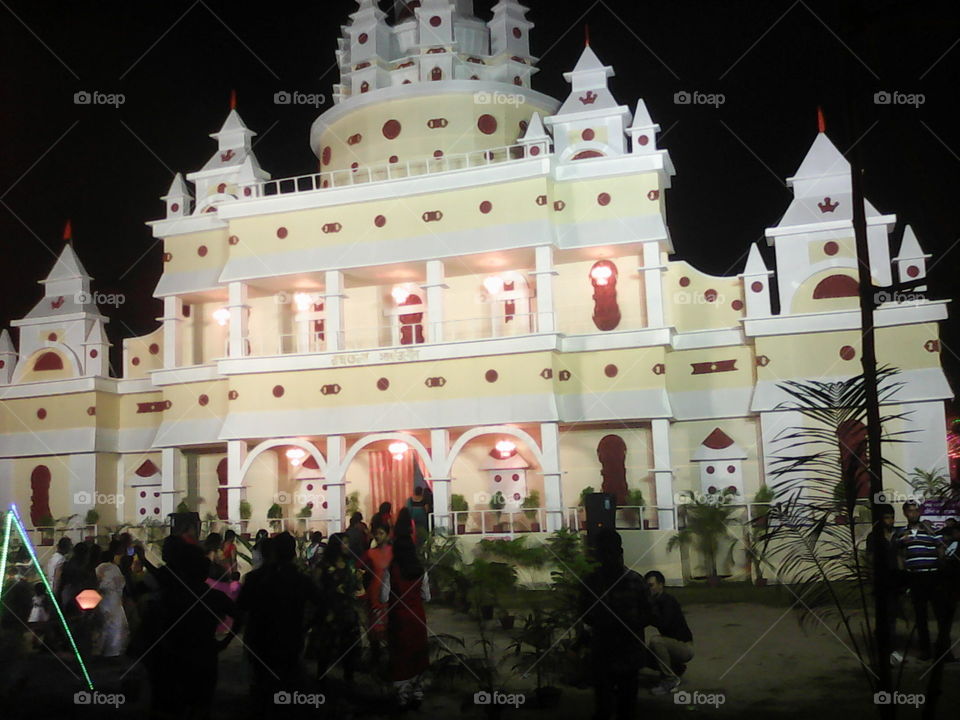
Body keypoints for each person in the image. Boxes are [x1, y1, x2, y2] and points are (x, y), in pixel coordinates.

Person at [137, 535, 240, 720]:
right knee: (200, 705)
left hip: (175, 656)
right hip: (204, 655)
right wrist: (224, 642)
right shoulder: (213, 597)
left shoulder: (170, 596)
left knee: (173, 705)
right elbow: (240, 616)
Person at [238, 532, 321, 713]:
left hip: (261, 639)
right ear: (294, 553)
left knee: (263, 684)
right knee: (288, 683)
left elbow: (241, 608)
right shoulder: (301, 580)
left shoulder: (255, 578)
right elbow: (321, 604)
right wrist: (307, 626)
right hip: (290, 638)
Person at [579, 529, 651, 720]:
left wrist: (627, 625)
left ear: (619, 552)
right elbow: (583, 613)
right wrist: (604, 624)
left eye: (609, 552)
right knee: (604, 707)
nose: (607, 557)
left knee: (626, 708)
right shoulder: (591, 582)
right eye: (603, 552)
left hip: (628, 653)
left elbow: (649, 614)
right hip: (604, 652)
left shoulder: (635, 581)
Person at [895, 501, 953, 662]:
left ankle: (945, 651)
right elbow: (900, 554)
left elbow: (941, 548)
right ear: (905, 513)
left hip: (933, 576)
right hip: (915, 578)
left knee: (941, 615)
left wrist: (941, 565)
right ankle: (925, 650)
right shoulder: (901, 533)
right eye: (910, 511)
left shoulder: (930, 529)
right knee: (920, 616)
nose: (914, 514)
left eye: (916, 511)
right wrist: (903, 574)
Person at [382, 532, 430, 710]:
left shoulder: (391, 570)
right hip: (418, 617)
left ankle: (402, 697)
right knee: (418, 654)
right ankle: (418, 693)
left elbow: (383, 597)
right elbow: (427, 597)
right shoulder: (421, 570)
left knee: (400, 656)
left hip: (398, 618)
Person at [312, 533, 362, 685]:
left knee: (349, 644)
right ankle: (321, 676)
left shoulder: (349, 563)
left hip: (347, 610)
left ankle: (349, 676)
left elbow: (355, 585)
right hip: (331, 610)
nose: (348, 546)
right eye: (344, 543)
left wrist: (357, 581)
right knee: (327, 645)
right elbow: (316, 586)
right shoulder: (324, 565)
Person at [865, 504, 905, 665]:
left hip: (895, 580)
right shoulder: (874, 537)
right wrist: (872, 579)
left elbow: (900, 556)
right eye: (887, 517)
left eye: (892, 517)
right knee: (884, 616)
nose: (890, 521)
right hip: (881, 580)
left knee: (892, 615)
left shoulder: (897, 535)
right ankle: (885, 650)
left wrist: (903, 577)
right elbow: (870, 559)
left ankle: (890, 649)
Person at [645, 570, 693, 694]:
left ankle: (670, 680)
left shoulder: (667, 601)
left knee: (656, 641)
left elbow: (664, 623)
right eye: (647, 586)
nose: (649, 589)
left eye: (651, 585)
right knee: (642, 653)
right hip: (673, 645)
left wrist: (648, 616)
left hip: (684, 646)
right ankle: (676, 668)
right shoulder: (655, 602)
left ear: (661, 585)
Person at [359, 522, 393, 667]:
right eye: (376, 534)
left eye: (381, 533)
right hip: (374, 593)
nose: (378, 536)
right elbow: (357, 568)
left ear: (388, 535)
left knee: (390, 627)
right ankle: (376, 660)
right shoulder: (369, 553)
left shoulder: (394, 551)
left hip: (391, 594)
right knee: (374, 629)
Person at [94, 545, 129, 658]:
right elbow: (121, 583)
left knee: (104, 625)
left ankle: (100, 651)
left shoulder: (99, 568)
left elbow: (97, 584)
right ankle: (114, 652)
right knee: (116, 626)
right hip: (115, 600)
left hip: (103, 599)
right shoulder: (116, 568)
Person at [45, 536, 72, 601]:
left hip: (50, 588)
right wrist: (56, 593)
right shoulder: (61, 560)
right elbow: (58, 578)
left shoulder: (53, 557)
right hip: (57, 591)